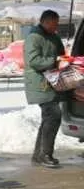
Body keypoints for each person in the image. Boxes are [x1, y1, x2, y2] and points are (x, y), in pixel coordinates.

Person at [24, 9, 66, 168]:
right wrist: (54, 61)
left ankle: (39, 154)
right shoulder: (34, 38)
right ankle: (45, 154)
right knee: (53, 115)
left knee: (48, 118)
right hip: (39, 84)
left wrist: (64, 58)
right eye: (54, 25)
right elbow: (34, 60)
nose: (56, 28)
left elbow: (61, 54)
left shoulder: (54, 37)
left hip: (52, 83)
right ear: (45, 22)